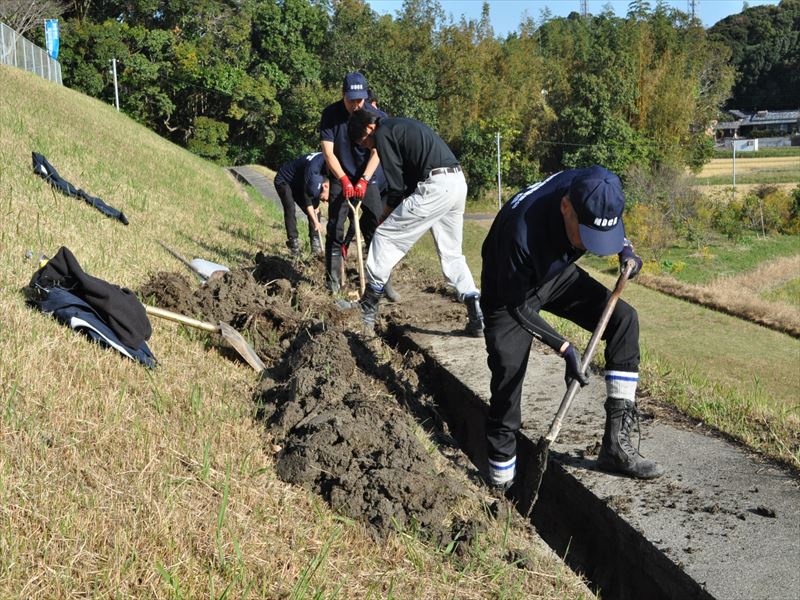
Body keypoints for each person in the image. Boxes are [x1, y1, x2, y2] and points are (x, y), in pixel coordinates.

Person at [480, 166, 664, 490]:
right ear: (566, 207)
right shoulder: (521, 231)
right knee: (508, 389)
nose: (592, 245)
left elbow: (613, 227)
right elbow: (518, 306)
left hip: (554, 274)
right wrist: (565, 349)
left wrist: (627, 252)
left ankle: (616, 447)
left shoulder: (596, 186)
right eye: (587, 234)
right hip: (508, 289)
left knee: (624, 320)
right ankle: (499, 487)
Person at [341, 109, 484, 336]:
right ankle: (476, 311)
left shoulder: (383, 132)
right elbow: (408, 182)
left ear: (369, 128)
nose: (369, 148)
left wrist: (384, 216)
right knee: (452, 252)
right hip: (456, 182)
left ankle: (368, 308)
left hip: (436, 186)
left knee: (384, 237)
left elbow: (397, 188)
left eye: (365, 142)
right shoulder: (400, 126)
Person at [319, 72, 387, 293]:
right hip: (341, 176)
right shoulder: (330, 114)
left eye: (360, 100)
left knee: (377, 226)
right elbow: (328, 153)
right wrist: (345, 180)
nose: (356, 105)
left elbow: (378, 151)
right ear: (343, 95)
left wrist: (364, 180)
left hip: (368, 176)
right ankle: (333, 282)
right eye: (351, 100)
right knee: (335, 228)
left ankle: (382, 282)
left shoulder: (376, 116)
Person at [273, 152, 328, 257]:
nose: (325, 202)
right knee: (290, 208)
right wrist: (316, 222)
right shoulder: (313, 169)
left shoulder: (327, 164)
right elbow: (307, 200)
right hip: (284, 180)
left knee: (316, 211)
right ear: (325, 186)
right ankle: (294, 244)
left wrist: (316, 209)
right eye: (326, 199)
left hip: (299, 183)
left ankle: (315, 246)